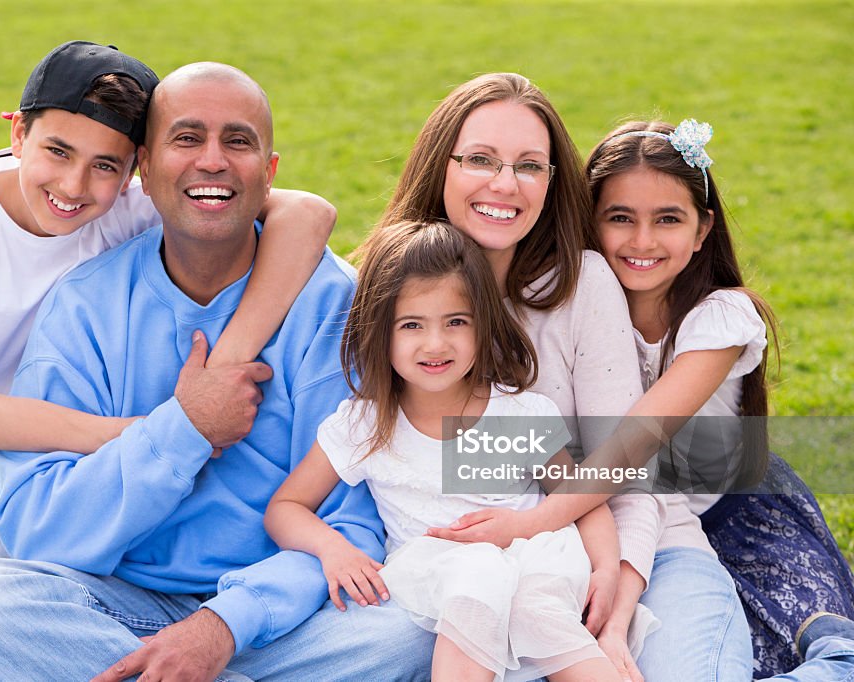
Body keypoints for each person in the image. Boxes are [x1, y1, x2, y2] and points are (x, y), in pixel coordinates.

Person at [0, 42, 335, 682]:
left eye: (105, 166)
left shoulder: (136, 203)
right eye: (57, 152)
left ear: (134, 173)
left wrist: (228, 358)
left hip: (33, 486)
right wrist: (173, 426)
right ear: (16, 133)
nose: (74, 187)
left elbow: (306, 211)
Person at [0, 61, 435, 681]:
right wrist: (184, 428)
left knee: (404, 634)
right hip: (111, 602)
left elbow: (351, 521)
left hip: (272, 620)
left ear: (269, 173)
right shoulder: (85, 303)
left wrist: (224, 625)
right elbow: (39, 526)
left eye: (238, 141)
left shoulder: (337, 305)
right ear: (145, 167)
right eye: (187, 138)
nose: (213, 161)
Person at [372, 72, 753, 680]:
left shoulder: (584, 284)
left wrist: (616, 597)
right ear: (438, 165)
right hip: (466, 569)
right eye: (479, 159)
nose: (504, 183)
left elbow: (631, 467)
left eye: (530, 165)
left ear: (552, 185)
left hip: (635, 547)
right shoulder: (391, 287)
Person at [265, 219, 658, 681]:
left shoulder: (519, 413)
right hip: (439, 572)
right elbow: (286, 507)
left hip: (535, 559)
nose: (436, 343)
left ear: (483, 325)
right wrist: (333, 549)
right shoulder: (366, 424)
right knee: (476, 584)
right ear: (381, 331)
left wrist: (606, 567)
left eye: (456, 322)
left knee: (537, 608)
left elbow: (582, 502)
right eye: (412, 324)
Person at [583, 118, 854, 678]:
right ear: (589, 222)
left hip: (732, 515)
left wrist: (542, 512)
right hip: (638, 519)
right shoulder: (582, 305)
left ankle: (835, 654)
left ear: (703, 228)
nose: (642, 241)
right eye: (619, 218)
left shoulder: (720, 317)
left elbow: (635, 441)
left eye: (668, 219)